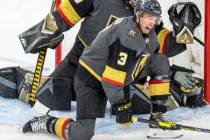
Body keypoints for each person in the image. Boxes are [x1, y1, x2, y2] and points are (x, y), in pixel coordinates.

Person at [22, 0, 176, 139]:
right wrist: (121, 104)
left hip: (118, 74)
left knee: (160, 60)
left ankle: (158, 117)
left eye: (154, 18)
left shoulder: (147, 28)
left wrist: (181, 35)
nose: (151, 22)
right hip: (90, 77)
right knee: (81, 133)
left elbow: (158, 48)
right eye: (148, 17)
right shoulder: (128, 34)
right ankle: (47, 122)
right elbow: (111, 79)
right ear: (138, 14)